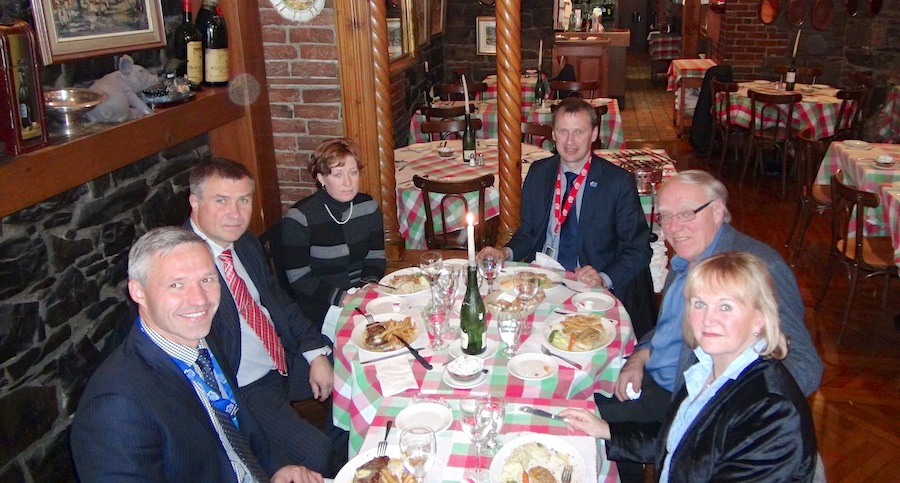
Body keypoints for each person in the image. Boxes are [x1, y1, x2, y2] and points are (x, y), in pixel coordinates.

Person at [595, 170, 822, 481]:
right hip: (666, 382)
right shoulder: (687, 259)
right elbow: (667, 328)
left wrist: (724, 406)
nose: (674, 227)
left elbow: (806, 366)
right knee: (574, 385)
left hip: (680, 396)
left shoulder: (755, 268)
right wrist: (639, 357)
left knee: (574, 415)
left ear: (717, 210)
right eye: (666, 216)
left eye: (686, 213)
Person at [71, 227, 324, 482]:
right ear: (138, 292)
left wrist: (275, 467)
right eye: (176, 284)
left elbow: (239, 426)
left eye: (207, 280)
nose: (199, 300)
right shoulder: (115, 407)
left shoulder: (202, 338)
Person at [563, 251, 817, 481]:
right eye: (699, 304)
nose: (708, 318)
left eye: (726, 307)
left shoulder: (771, 412)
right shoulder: (706, 368)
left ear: (759, 320)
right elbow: (677, 441)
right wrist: (606, 430)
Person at [188, 158, 345, 476]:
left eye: (243, 200)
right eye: (222, 200)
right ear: (195, 202)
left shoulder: (244, 244)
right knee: (315, 452)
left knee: (358, 370)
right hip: (245, 386)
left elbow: (280, 304)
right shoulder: (184, 263)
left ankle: (341, 454)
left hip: (282, 358)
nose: (235, 213)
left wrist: (315, 353)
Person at [479, 97, 657, 337]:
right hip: (544, 281)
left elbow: (639, 249)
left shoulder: (617, 182)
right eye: (563, 131)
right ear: (553, 133)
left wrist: (604, 278)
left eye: (578, 132)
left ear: (594, 134)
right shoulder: (539, 172)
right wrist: (505, 253)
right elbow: (529, 232)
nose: (570, 141)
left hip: (590, 287)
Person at [280, 138, 386, 342]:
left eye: (353, 173)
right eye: (338, 175)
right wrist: (344, 298)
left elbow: (375, 255)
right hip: (322, 302)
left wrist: (368, 285)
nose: (348, 182)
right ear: (321, 178)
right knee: (373, 340)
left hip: (362, 294)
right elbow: (299, 277)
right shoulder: (300, 217)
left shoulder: (368, 206)